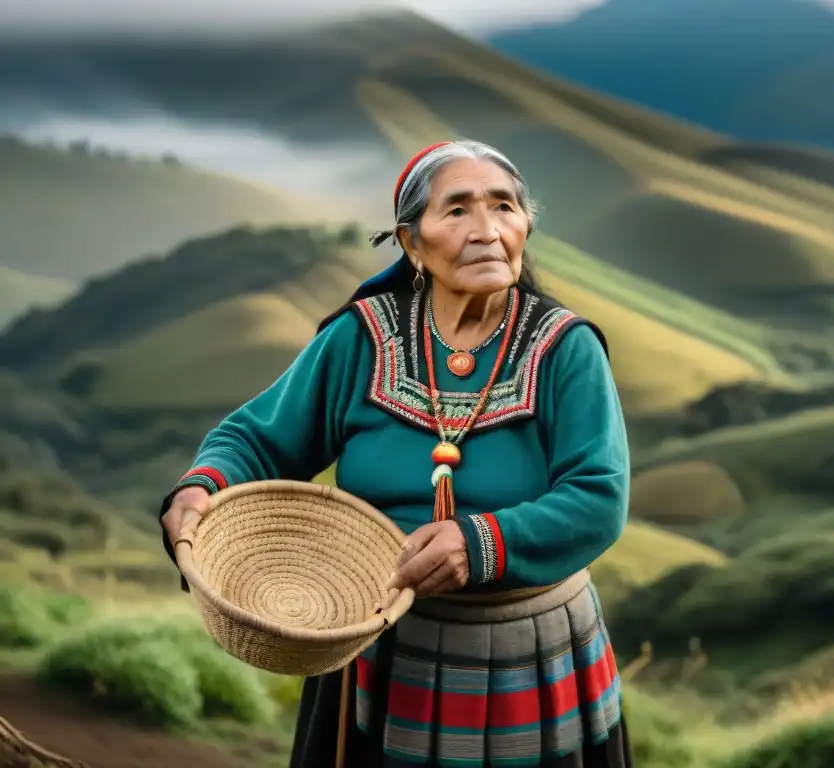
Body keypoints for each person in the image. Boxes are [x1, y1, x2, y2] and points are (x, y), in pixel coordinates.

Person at [159, 139, 633, 767]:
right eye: (457, 211)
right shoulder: (361, 339)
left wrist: (478, 542)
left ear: (525, 226)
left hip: (529, 652)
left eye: (504, 207)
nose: (486, 231)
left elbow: (598, 497)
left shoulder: (565, 350)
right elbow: (257, 439)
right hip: (376, 642)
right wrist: (201, 489)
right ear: (412, 243)